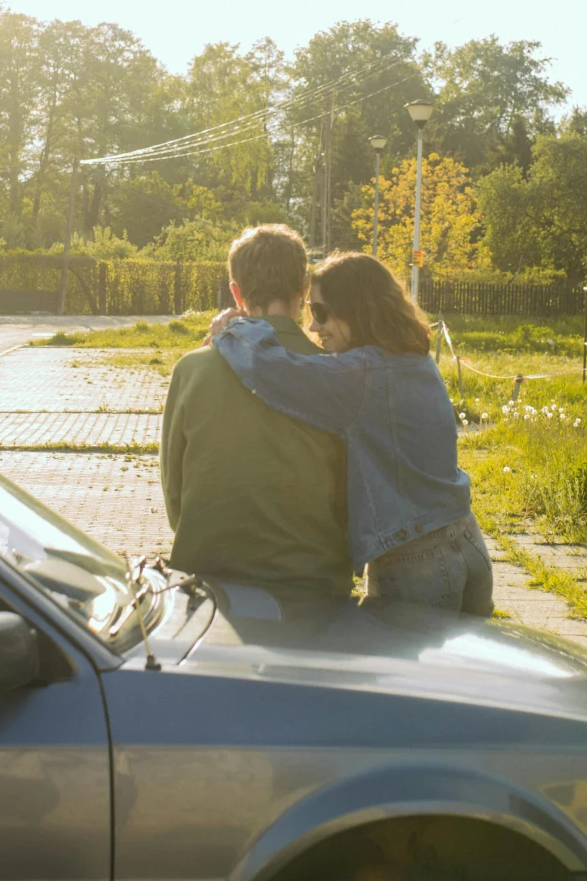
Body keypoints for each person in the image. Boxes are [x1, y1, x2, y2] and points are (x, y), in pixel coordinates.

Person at [209, 250, 493, 615]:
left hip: (416, 561)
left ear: (357, 309)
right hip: (466, 540)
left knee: (391, 671)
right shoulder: (413, 358)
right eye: (310, 311)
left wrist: (230, 332)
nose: (313, 327)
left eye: (322, 312)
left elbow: (275, 373)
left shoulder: (364, 378)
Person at [160, 223, 352, 601]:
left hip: (208, 580)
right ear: (302, 287)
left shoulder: (191, 369)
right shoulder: (336, 373)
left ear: (236, 291)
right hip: (312, 586)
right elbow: (351, 498)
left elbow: (174, 494)